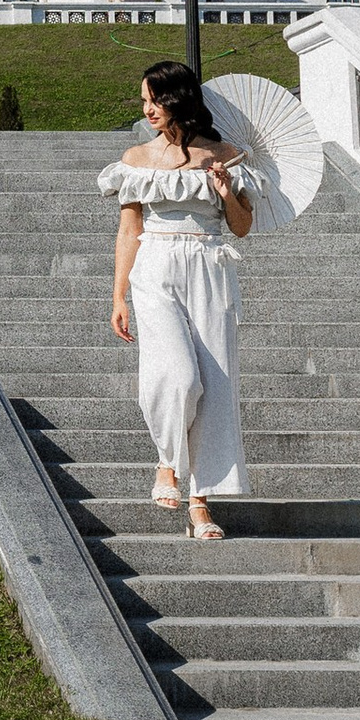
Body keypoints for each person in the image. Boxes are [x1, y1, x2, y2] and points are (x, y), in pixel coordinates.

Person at [99, 61, 253, 543]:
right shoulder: (137, 158)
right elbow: (129, 229)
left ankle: (200, 503)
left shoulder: (225, 155)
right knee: (177, 376)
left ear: (178, 100)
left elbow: (243, 226)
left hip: (210, 267)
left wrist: (227, 193)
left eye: (155, 100)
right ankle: (168, 462)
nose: (147, 110)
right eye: (143, 100)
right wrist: (118, 294)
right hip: (156, 266)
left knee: (215, 384)